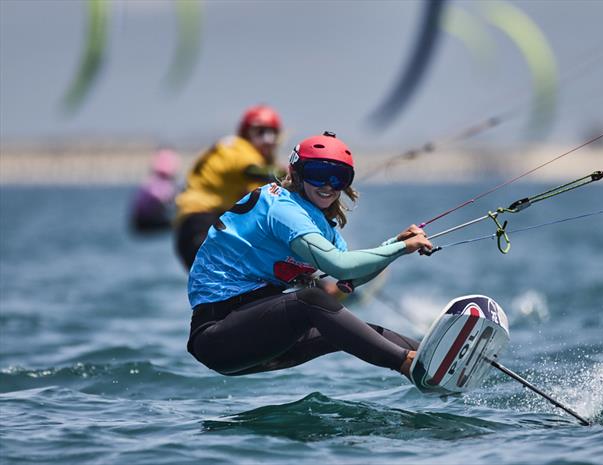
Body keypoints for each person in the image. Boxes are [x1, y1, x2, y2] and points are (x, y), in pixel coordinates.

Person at [186, 131, 432, 379]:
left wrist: (394, 245)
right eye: (317, 174)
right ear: (296, 174)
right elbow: (342, 267)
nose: (328, 185)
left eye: (339, 178)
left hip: (256, 333)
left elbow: (350, 277)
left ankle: (430, 358)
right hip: (218, 334)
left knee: (347, 329)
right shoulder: (282, 208)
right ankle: (407, 364)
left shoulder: (322, 226)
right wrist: (399, 249)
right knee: (311, 300)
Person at [174, 104, 285, 270]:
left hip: (208, 225)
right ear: (245, 132)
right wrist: (290, 171)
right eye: (260, 132)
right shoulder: (238, 147)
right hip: (200, 224)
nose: (267, 139)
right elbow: (253, 170)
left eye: (272, 133)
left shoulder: (246, 154)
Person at [129, 148, 180, 233]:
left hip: (141, 224)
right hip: (148, 223)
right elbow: (160, 198)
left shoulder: (148, 182)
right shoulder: (156, 184)